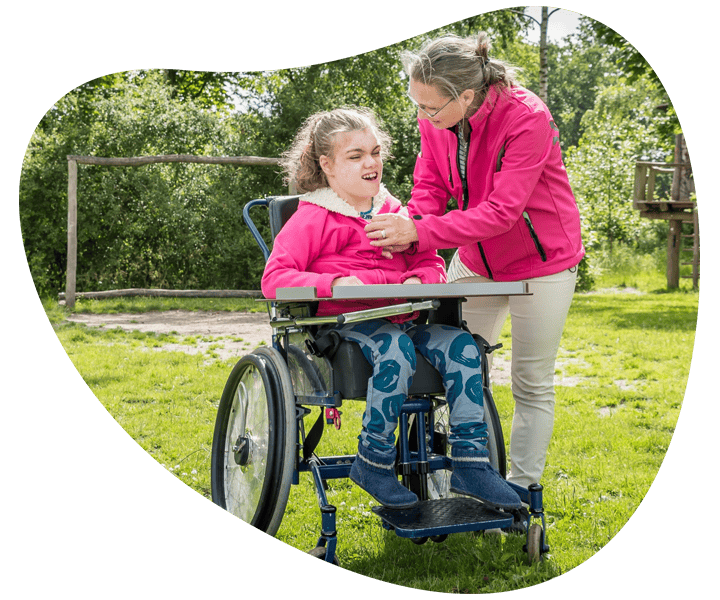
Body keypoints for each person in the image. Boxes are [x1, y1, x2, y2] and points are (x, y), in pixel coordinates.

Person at [261, 107, 521, 511]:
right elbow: (274, 278)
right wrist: (334, 284)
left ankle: (471, 463)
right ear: (326, 165)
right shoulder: (313, 216)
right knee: (394, 348)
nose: (371, 163)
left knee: (464, 346)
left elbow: (429, 258)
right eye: (356, 156)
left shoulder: (395, 212)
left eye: (376, 152)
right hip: (346, 325)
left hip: (404, 316)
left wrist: (422, 277)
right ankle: (373, 461)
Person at [365, 33, 585, 490]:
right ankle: (456, 475)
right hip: (475, 260)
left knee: (530, 383)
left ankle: (522, 492)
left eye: (430, 107)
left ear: (466, 94)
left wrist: (421, 231)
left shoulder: (527, 117)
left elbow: (504, 212)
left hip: (543, 265)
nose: (423, 116)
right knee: (447, 367)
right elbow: (428, 188)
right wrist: (412, 233)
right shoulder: (436, 119)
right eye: (417, 105)